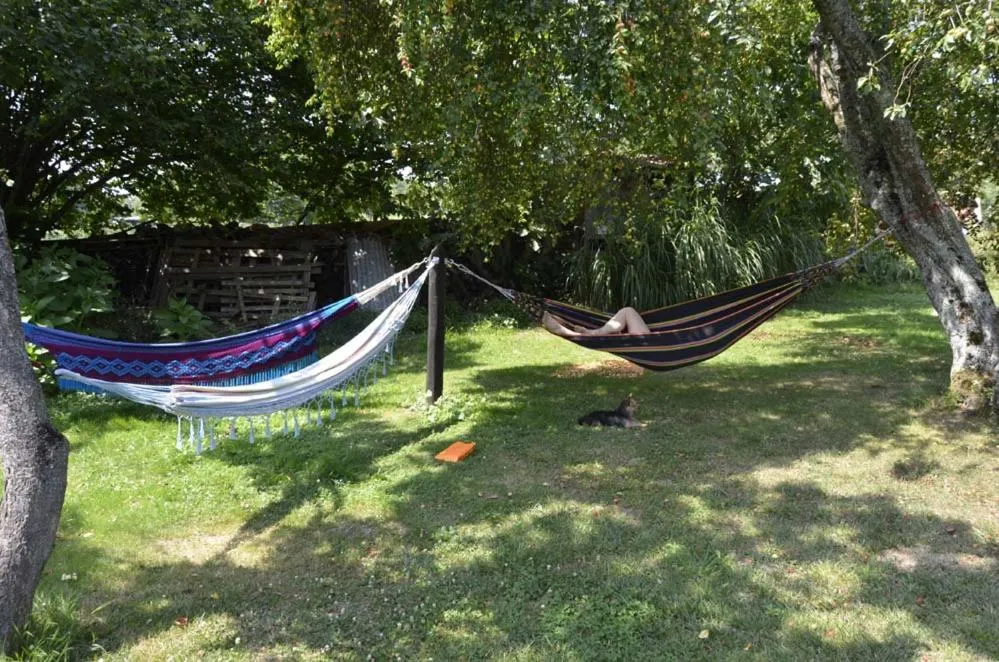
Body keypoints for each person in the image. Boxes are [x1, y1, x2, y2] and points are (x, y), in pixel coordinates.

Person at [542, 307, 651, 336]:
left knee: (628, 311)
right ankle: (593, 333)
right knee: (627, 311)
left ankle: (591, 333)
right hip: (653, 343)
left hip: (649, 343)